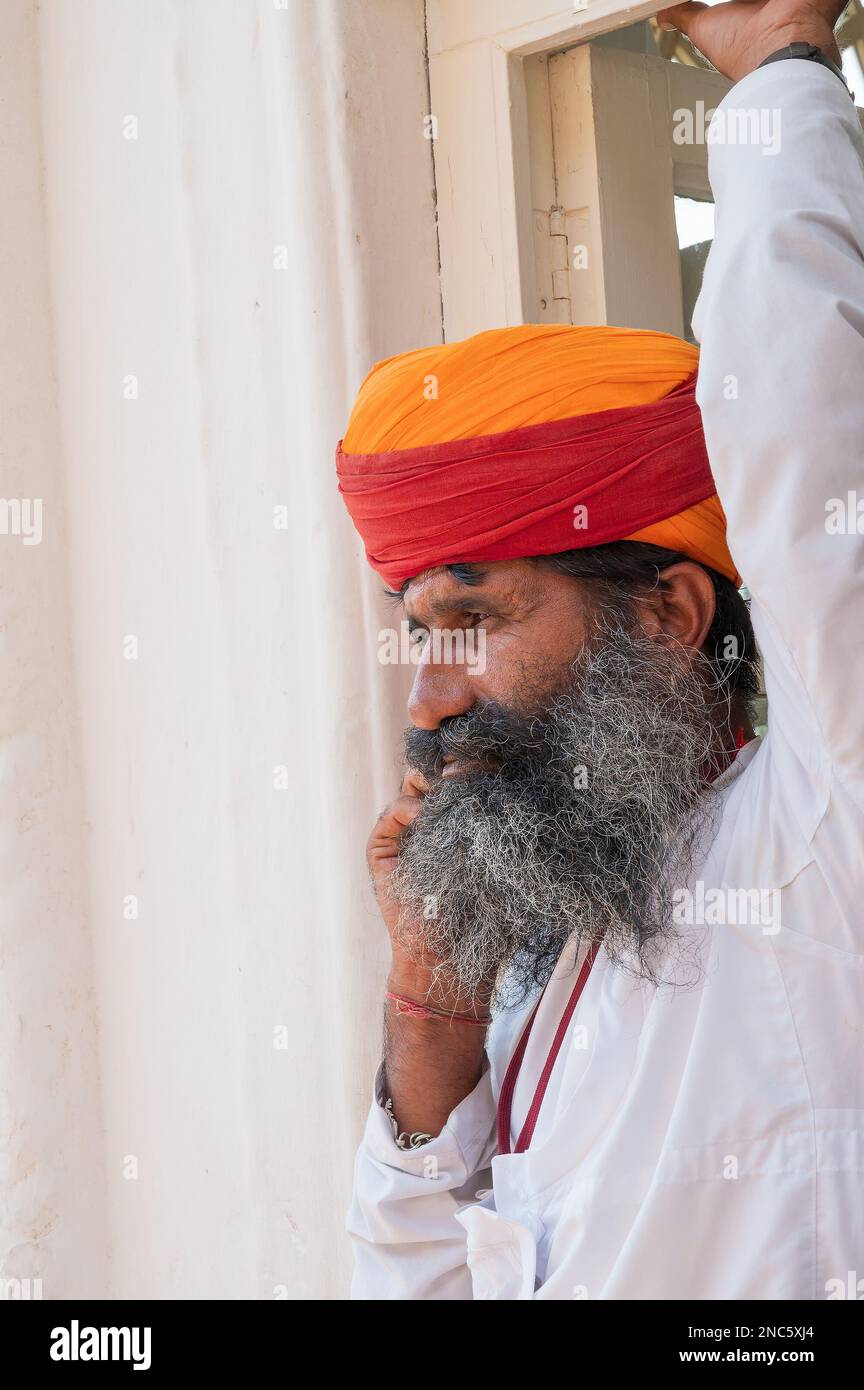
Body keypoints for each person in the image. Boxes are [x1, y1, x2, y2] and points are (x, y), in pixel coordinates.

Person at [337, 0, 863, 1299]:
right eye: (418, 634)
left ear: (669, 615)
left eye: (475, 617)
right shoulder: (551, 952)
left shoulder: (815, 843)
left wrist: (779, 66)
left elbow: (802, 443)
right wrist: (434, 1017)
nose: (431, 695)